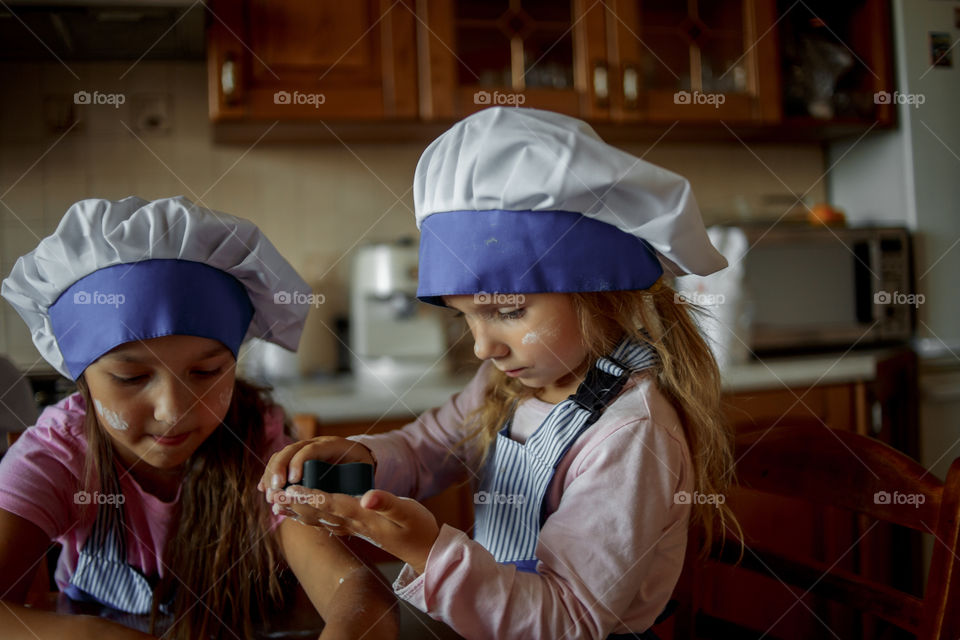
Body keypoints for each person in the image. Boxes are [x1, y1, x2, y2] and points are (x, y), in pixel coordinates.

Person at [260, 107, 741, 639]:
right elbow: (426, 449)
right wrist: (364, 459)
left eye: (508, 311)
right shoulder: (508, 384)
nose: (482, 346)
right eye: (464, 316)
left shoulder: (630, 434)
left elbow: (568, 620)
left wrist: (426, 550)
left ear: (601, 293)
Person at [0, 196, 399, 640]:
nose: (173, 411)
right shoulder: (57, 456)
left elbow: (358, 594)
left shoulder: (260, 444)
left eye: (206, 372)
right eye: (131, 377)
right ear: (82, 380)